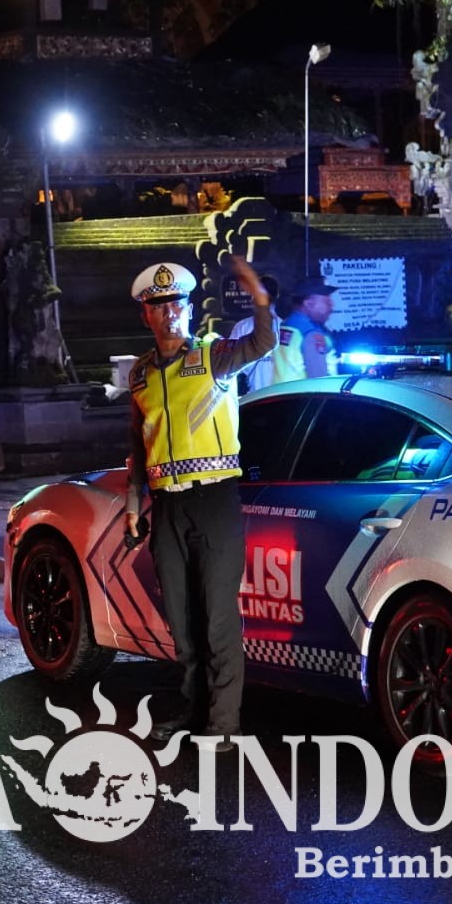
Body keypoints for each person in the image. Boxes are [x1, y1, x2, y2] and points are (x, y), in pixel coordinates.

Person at [124, 256, 276, 752]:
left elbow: (263, 342)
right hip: (167, 507)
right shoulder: (141, 375)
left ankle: (223, 725)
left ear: (189, 309)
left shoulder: (215, 356)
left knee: (216, 618)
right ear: (146, 315)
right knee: (182, 620)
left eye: (177, 304)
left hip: (214, 501)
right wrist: (133, 504)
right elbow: (138, 443)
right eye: (159, 306)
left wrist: (259, 299)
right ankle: (193, 709)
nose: (170, 313)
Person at [275, 274, 340, 381]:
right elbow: (319, 382)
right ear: (309, 304)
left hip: (280, 390)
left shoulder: (285, 326)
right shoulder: (311, 334)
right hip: (304, 392)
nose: (332, 305)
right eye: (326, 301)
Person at [227, 274, 281, 394]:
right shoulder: (286, 328)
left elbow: (230, 362)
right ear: (277, 296)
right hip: (277, 397)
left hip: (252, 399)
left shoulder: (242, 327)